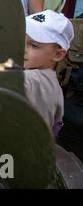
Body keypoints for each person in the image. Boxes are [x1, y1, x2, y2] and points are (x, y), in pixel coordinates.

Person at [23, 10, 74, 138]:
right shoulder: (49, 78)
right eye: (21, 40)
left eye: (34, 45)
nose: (23, 49)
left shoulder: (33, 79)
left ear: (58, 54)